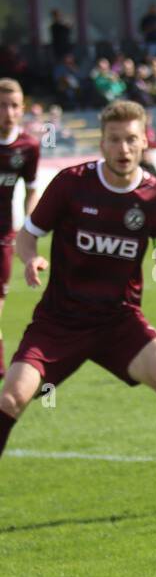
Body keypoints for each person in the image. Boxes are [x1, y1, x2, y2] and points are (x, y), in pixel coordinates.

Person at [0, 100, 156, 516]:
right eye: (114, 139)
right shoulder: (71, 184)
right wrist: (30, 258)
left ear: (143, 140)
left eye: (132, 139)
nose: (123, 148)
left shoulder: (155, 197)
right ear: (102, 141)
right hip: (60, 322)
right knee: (11, 397)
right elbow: (27, 235)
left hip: (119, 322)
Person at [0, 78, 40, 379]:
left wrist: (29, 226)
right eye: (2, 106)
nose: (9, 112)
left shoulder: (28, 147)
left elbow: (32, 189)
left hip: (3, 237)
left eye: (14, 106)